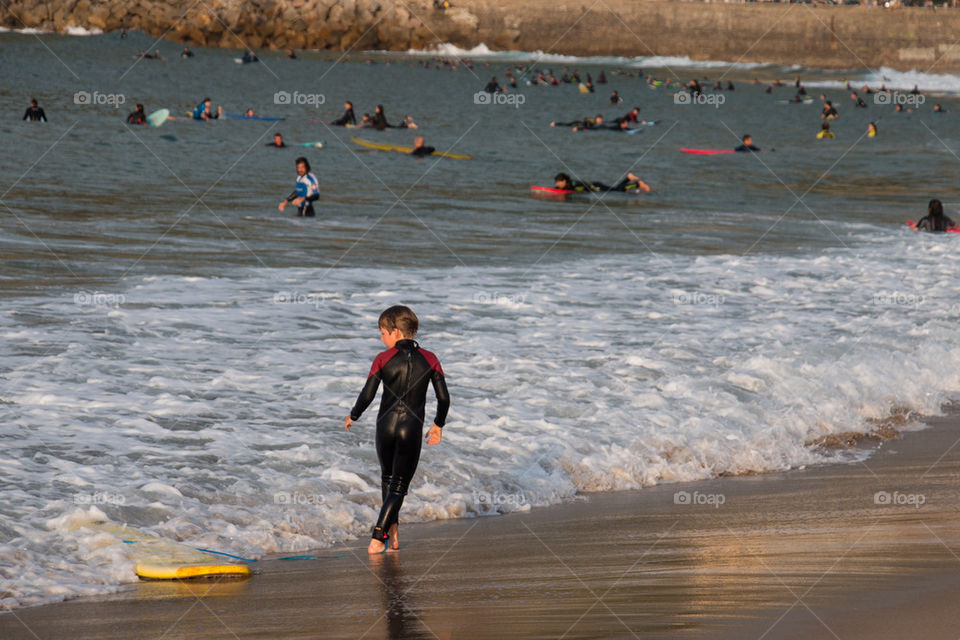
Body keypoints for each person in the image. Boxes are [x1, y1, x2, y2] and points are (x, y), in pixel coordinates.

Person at [345, 305, 449, 554]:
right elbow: (444, 399)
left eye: (382, 333)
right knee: (400, 486)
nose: (382, 339)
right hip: (410, 429)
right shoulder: (431, 359)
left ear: (395, 332)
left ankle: (393, 535)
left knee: (388, 480)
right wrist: (438, 425)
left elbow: (367, 394)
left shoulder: (383, 358)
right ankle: (378, 536)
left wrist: (353, 415)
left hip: (385, 427)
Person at [554, 171, 651, 194]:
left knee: (617, 191)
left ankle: (638, 184)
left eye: (558, 182)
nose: (557, 185)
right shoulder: (564, 186)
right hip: (594, 187)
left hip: (597, 187)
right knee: (615, 189)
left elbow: (569, 191)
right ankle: (628, 178)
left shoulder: (572, 185)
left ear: (564, 181)